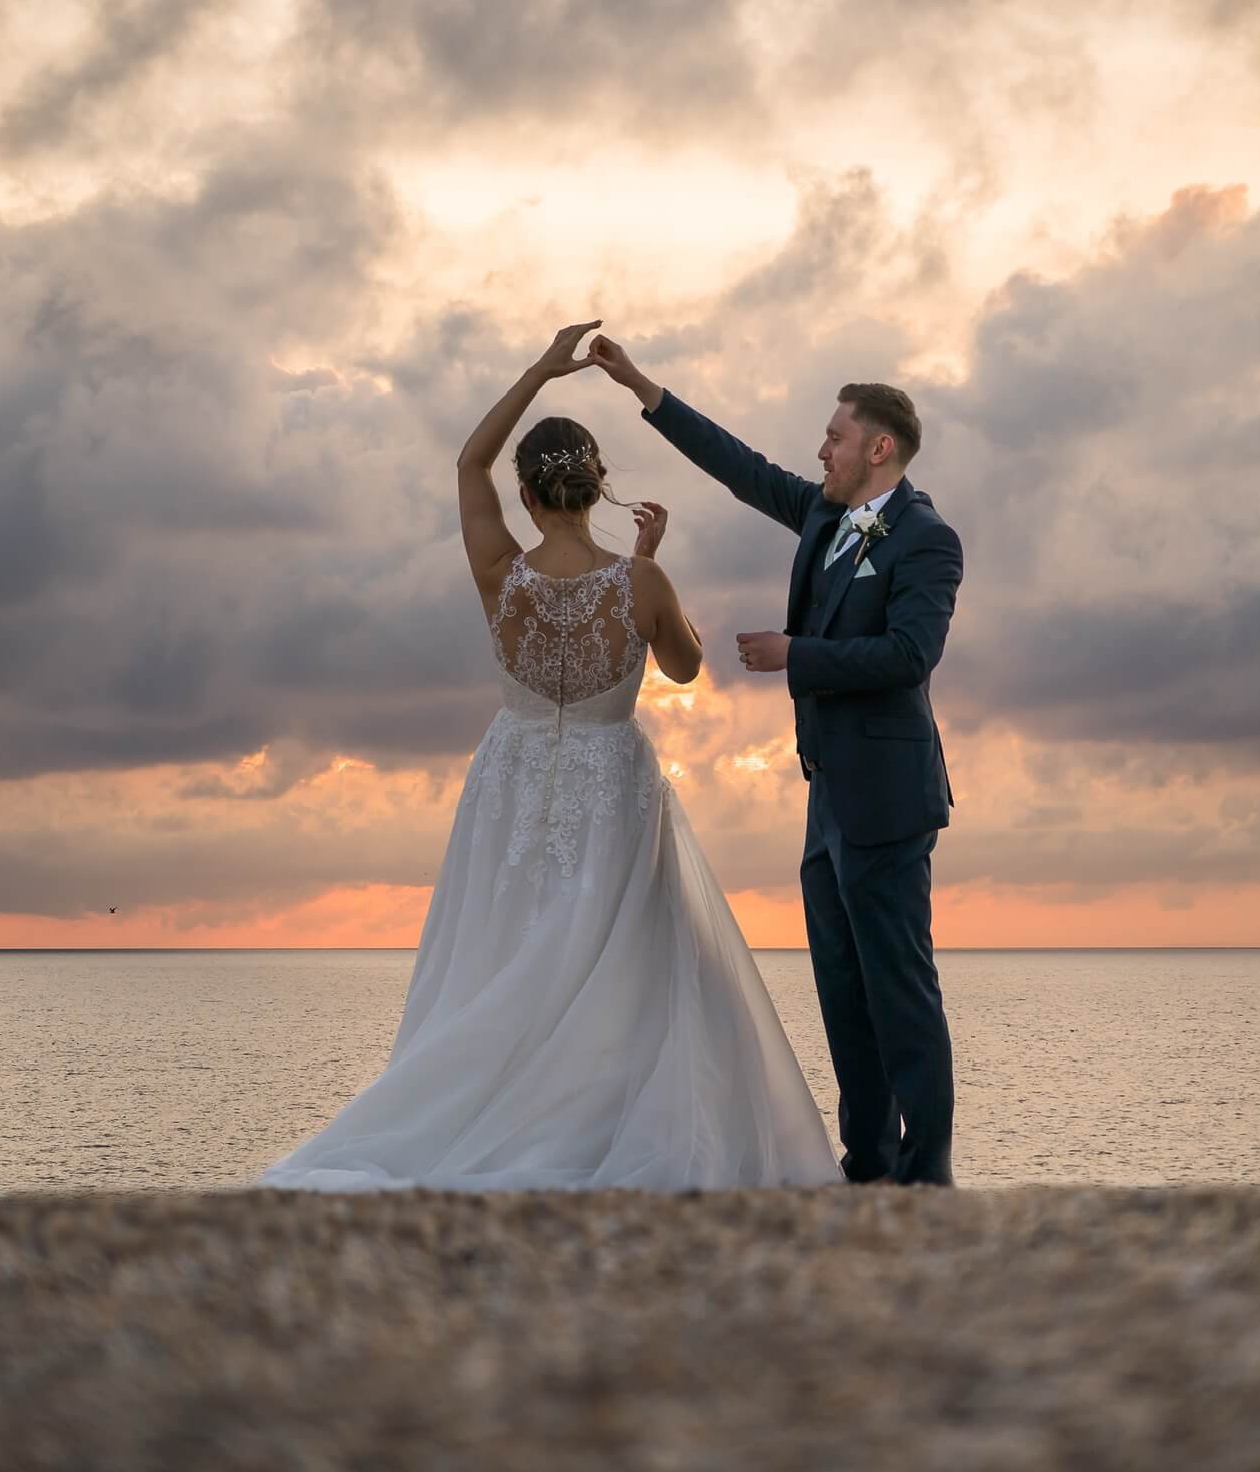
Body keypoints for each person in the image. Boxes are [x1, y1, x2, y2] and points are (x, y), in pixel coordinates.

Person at [258, 322, 841, 1192]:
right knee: (616, 960)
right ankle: (591, 1121)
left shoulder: (499, 571)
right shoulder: (638, 582)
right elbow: (684, 667)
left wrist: (541, 367)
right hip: (609, 784)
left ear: (528, 494)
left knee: (502, 946)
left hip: (512, 779)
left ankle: (487, 1110)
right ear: (596, 488)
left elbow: (466, 464)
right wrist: (650, 565)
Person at [589, 334, 963, 1187]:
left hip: (891, 801)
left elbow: (911, 653)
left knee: (900, 992)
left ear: (879, 448)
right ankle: (867, 1160)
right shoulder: (826, 516)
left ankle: (927, 1173)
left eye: (834, 437)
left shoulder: (927, 541)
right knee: (842, 992)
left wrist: (797, 654)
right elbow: (739, 466)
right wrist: (641, 388)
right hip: (826, 799)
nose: (819, 450)